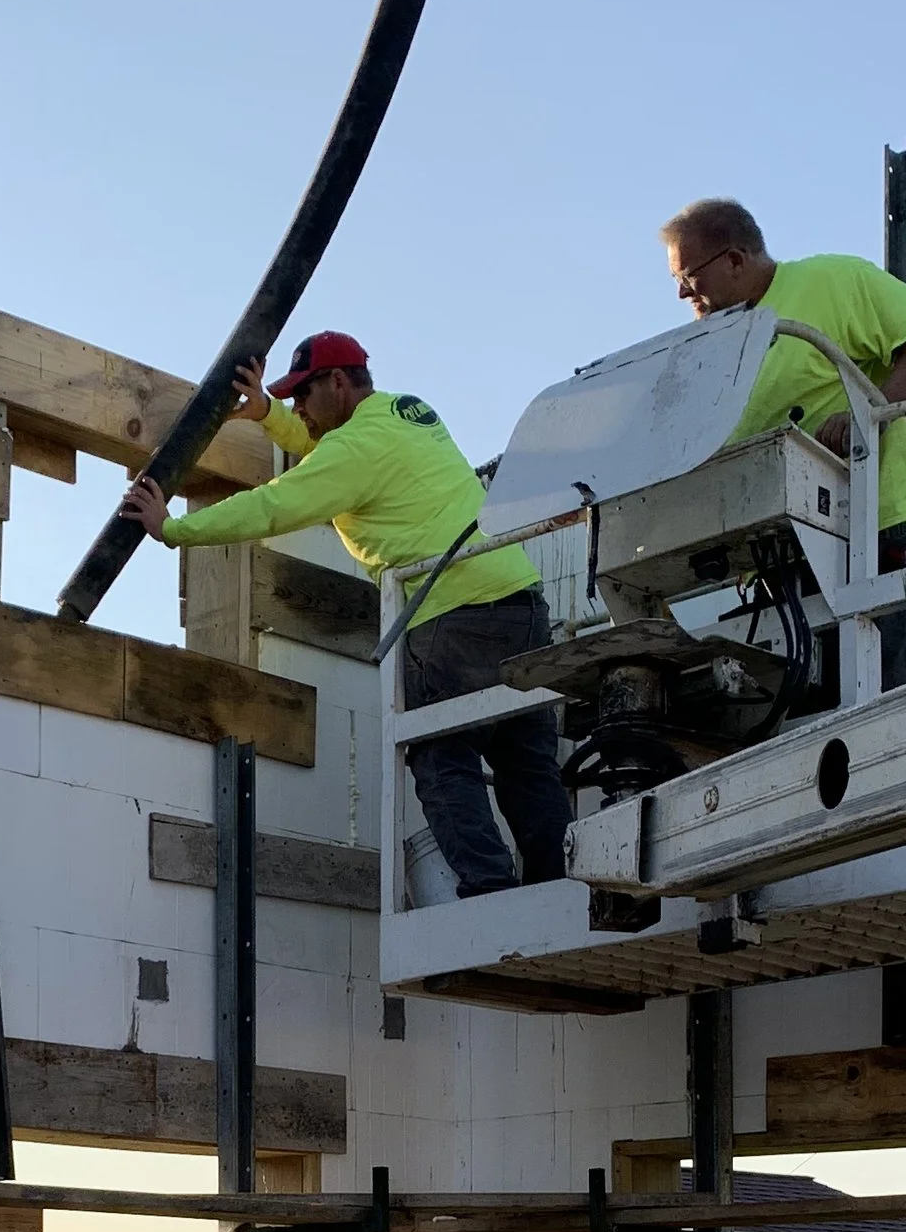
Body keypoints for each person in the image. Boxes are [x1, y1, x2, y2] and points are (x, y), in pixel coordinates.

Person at [120, 332, 569, 897]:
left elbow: (276, 504)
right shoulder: (408, 412)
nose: (297, 409)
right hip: (521, 604)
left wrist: (174, 530)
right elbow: (332, 453)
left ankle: (490, 893)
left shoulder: (353, 450)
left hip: (451, 615)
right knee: (527, 764)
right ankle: (560, 891)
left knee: (440, 755)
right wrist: (269, 417)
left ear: (336, 382)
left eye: (301, 396)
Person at [663, 200, 906, 684]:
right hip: (778, 554)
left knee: (894, 691)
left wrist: (869, 412)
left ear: (735, 260)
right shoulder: (713, 347)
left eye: (688, 276)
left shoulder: (834, 281)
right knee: (796, 710)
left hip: (875, 528)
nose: (680, 293)